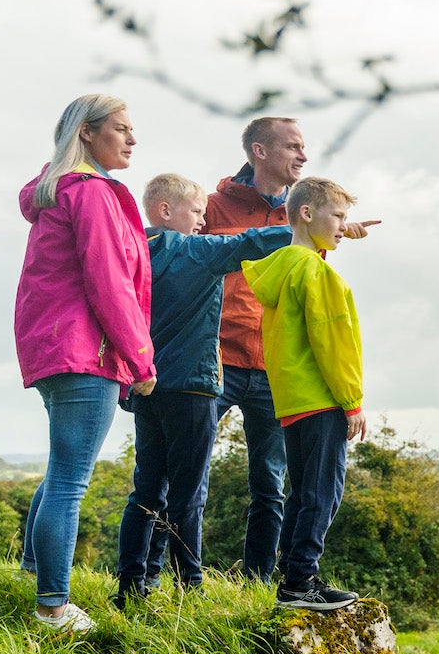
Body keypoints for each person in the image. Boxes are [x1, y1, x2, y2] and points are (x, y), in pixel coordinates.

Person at [113, 174, 293, 609]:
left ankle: (131, 588)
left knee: (146, 491)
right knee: (187, 497)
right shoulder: (194, 252)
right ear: (165, 211)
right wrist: (314, 225)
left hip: (146, 385)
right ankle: (188, 590)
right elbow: (255, 242)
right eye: (196, 212)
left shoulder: (130, 254)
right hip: (193, 389)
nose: (202, 220)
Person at [14, 94, 154, 632]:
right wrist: (140, 358)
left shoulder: (61, 192)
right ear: (89, 134)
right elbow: (109, 281)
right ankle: (53, 606)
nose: (132, 139)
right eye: (122, 128)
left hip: (56, 346)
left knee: (60, 472)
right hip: (85, 348)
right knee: (71, 481)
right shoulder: (92, 193)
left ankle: (35, 571)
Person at [241, 177, 368, 610]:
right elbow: (333, 341)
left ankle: (294, 577)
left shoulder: (284, 266)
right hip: (321, 399)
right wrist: (351, 401)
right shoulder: (316, 271)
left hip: (291, 400)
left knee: (303, 492)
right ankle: (300, 583)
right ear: (308, 214)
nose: (343, 226)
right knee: (323, 492)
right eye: (337, 216)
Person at [203, 117, 309, 580]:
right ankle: (166, 577)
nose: (303, 156)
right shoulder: (210, 208)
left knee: (270, 485)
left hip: (272, 367)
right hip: (216, 362)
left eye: (305, 148)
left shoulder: (302, 216)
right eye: (293, 147)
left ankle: (257, 583)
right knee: (187, 477)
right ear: (259, 151)